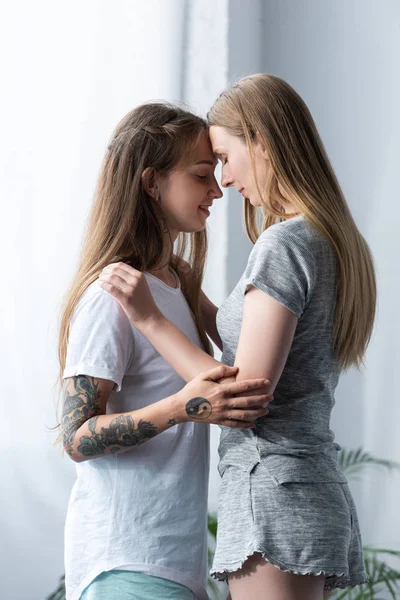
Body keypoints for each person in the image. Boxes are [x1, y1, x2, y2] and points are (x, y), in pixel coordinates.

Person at [99, 74, 376, 600]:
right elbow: (256, 343)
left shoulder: (285, 243)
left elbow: (242, 396)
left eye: (225, 157)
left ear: (262, 142)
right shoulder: (324, 237)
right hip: (298, 482)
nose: (223, 180)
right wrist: (190, 292)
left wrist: (150, 317)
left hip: (272, 487)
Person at [58, 101, 272, 600]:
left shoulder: (175, 281)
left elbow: (241, 365)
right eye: (201, 176)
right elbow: (75, 438)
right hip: (124, 563)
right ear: (152, 182)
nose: (216, 190)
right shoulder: (113, 295)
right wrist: (181, 408)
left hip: (175, 564)